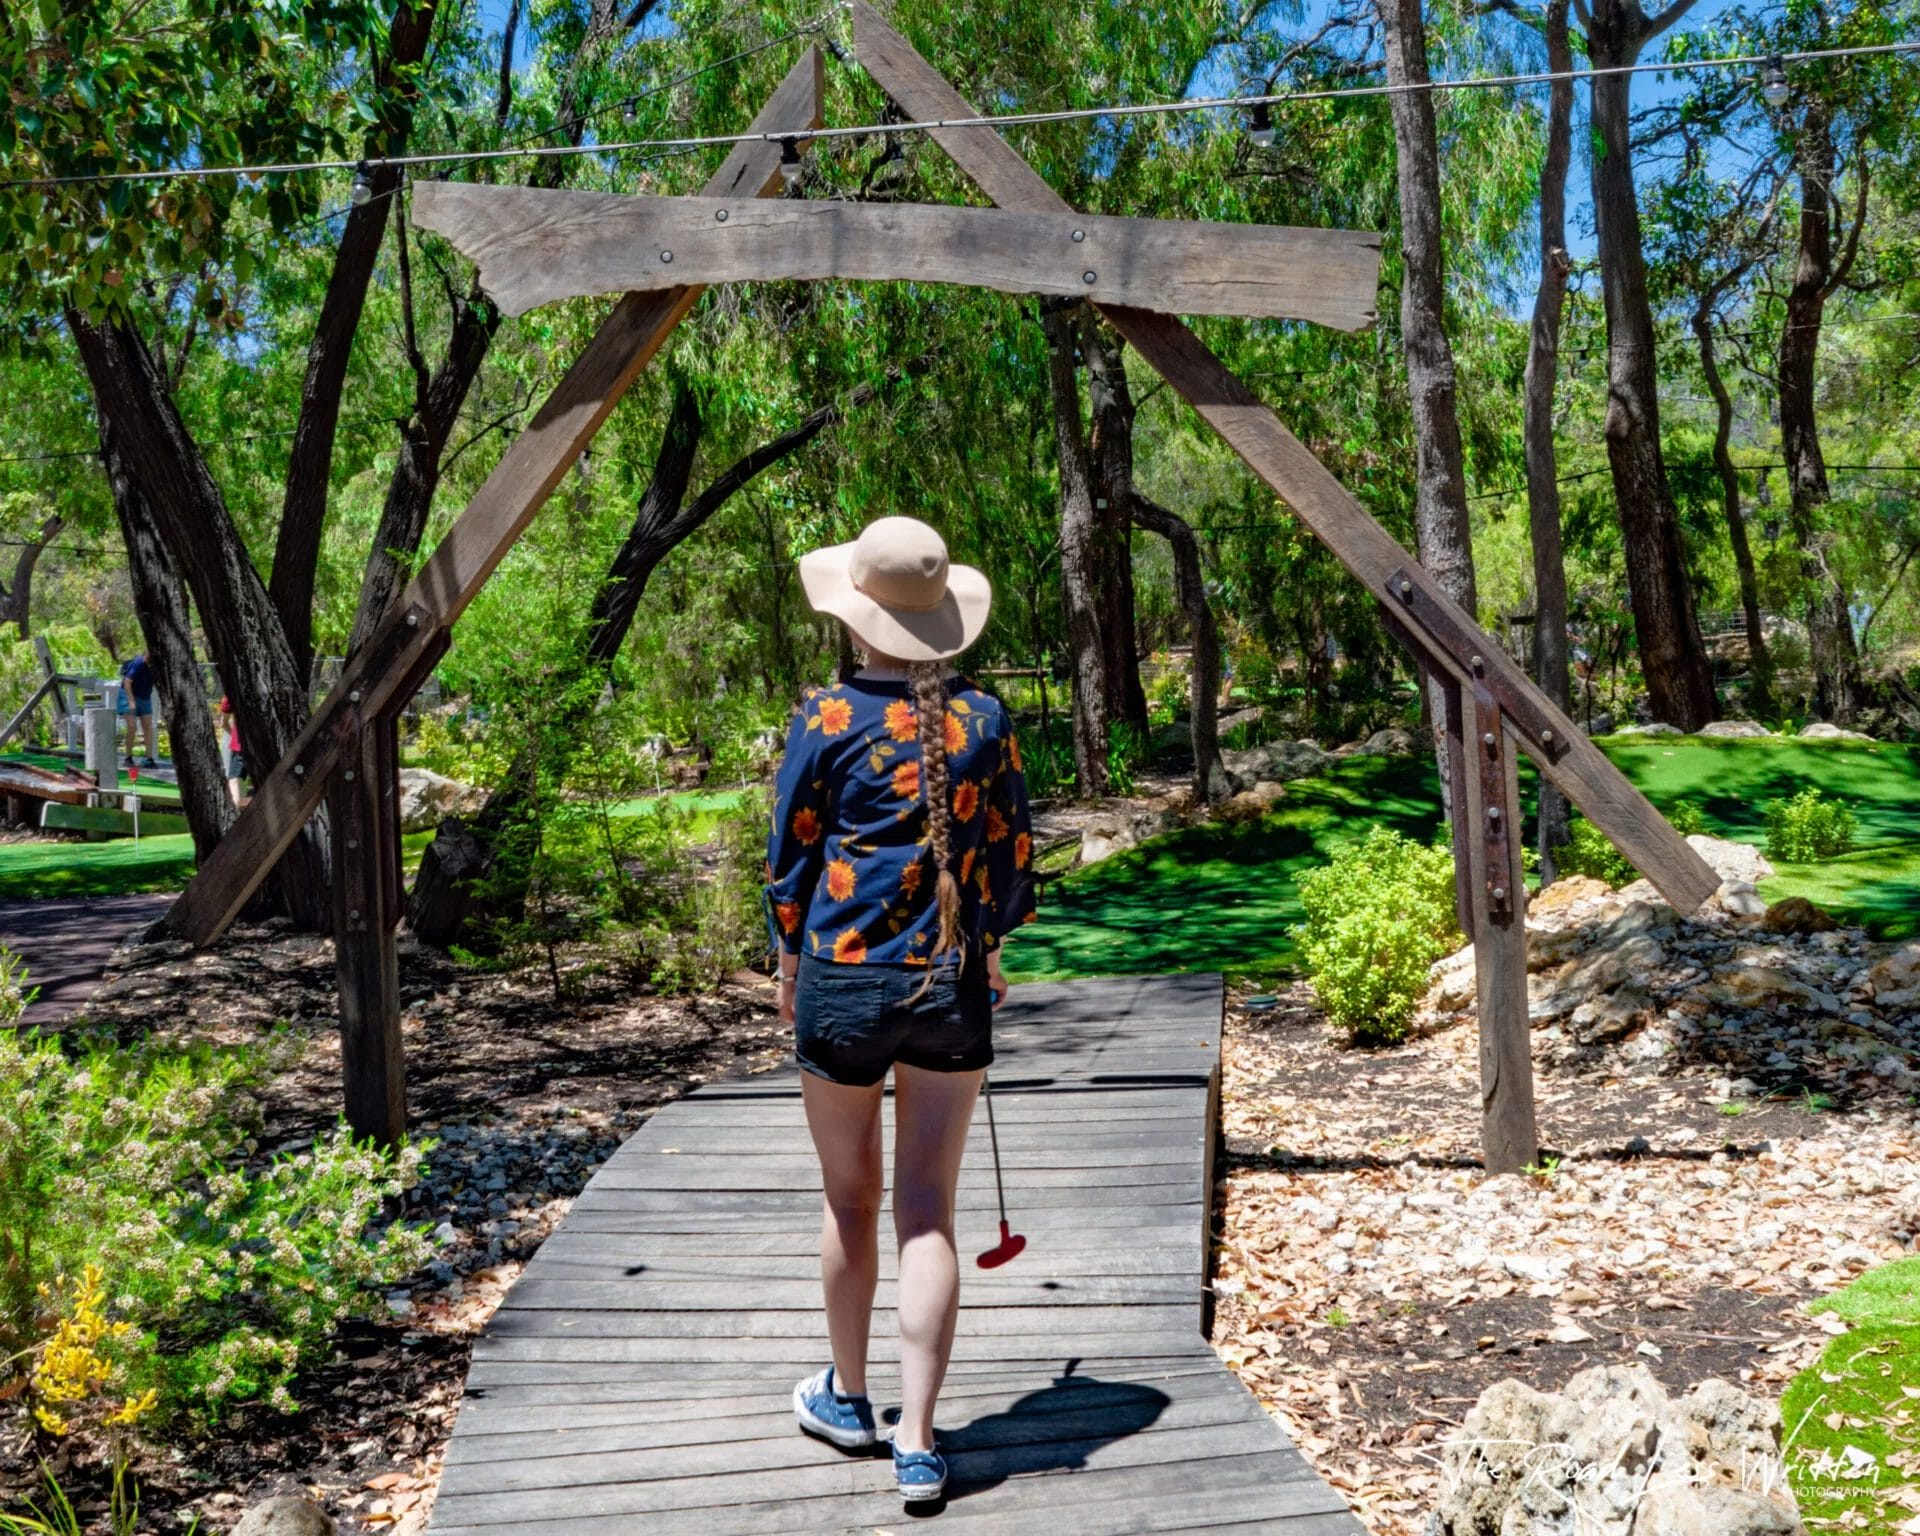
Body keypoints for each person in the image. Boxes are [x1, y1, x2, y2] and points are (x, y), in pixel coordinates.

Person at [765, 516, 1037, 1506]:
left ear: (856, 616)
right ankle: (918, 1443)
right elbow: (1009, 855)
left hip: (842, 984)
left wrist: (788, 960)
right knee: (929, 1214)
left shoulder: (825, 720)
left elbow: (793, 859)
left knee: (852, 1202)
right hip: (950, 986)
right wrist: (992, 944)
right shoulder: (986, 722)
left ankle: (848, 1396)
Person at [118, 653, 159, 767]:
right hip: (128, 695)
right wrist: (131, 702)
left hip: (144, 697)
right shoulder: (138, 663)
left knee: (147, 726)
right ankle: (128, 758)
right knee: (132, 726)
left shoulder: (158, 666)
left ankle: (149, 759)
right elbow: (127, 683)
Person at [218, 695, 248, 807]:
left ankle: (234, 819)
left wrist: (235, 737)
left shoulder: (231, 695)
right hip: (261, 747)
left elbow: (224, 724)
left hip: (240, 749)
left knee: (234, 782)